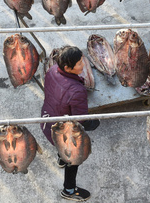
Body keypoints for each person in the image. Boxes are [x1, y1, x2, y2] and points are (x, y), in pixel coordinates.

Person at [41, 46, 100, 202]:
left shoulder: (53, 70)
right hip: (62, 134)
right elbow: (79, 119)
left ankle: (61, 158)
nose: (84, 65)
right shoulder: (76, 90)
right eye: (80, 63)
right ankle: (69, 189)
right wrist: (92, 123)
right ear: (67, 68)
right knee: (73, 158)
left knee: (61, 150)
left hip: (47, 121)